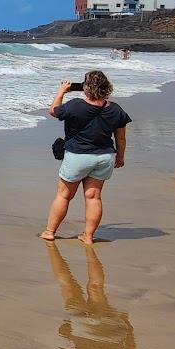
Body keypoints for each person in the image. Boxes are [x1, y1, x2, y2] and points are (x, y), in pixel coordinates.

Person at [41, 70, 131, 244]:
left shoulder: (76, 105)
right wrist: (120, 157)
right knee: (94, 197)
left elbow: (54, 111)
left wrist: (61, 92)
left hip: (78, 156)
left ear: (86, 87)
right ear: (106, 88)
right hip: (104, 157)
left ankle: (50, 232)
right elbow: (120, 138)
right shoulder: (116, 109)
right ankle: (88, 236)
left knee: (64, 195)